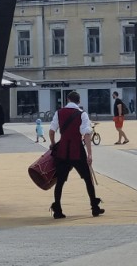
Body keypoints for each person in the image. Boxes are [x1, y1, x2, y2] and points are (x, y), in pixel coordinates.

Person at [48, 90, 104, 219]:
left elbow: (51, 131)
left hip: (62, 151)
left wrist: (52, 144)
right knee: (87, 179)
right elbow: (87, 135)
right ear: (79, 101)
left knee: (60, 181)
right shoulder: (82, 114)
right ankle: (94, 208)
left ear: (68, 99)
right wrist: (89, 154)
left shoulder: (59, 112)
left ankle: (57, 210)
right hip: (77, 150)